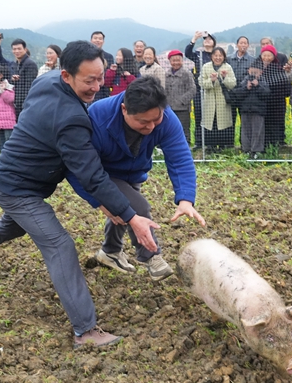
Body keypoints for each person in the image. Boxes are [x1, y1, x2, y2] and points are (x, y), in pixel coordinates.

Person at [0, 41, 159, 349]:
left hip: (19, 179)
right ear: (66, 76)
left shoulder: (46, 81)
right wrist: (130, 217)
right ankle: (85, 331)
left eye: (100, 77)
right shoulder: (71, 119)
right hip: (17, 187)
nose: (97, 86)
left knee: (15, 224)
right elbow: (92, 176)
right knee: (59, 245)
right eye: (89, 80)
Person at [68, 76, 206, 281]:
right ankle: (152, 257)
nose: (151, 126)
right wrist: (98, 200)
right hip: (102, 174)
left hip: (133, 172)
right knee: (137, 208)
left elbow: (179, 157)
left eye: (155, 120)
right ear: (124, 109)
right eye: (143, 121)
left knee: (122, 213)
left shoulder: (166, 118)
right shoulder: (98, 116)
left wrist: (185, 199)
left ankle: (110, 252)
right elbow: (77, 164)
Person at [0, 33, 38, 120]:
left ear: (25, 49)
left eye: (19, 49)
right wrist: (13, 80)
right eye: (14, 49)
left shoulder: (30, 64)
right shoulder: (15, 64)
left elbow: (29, 86)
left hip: (25, 105)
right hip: (16, 104)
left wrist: (24, 105)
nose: (16, 51)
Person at [199, 47, 236, 149]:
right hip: (209, 101)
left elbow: (233, 84)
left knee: (222, 124)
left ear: (224, 57)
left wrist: (225, 78)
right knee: (211, 124)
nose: (218, 58)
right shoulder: (206, 67)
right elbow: (201, 83)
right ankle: (211, 147)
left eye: (220, 56)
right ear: (212, 56)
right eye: (216, 55)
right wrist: (211, 80)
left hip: (223, 102)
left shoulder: (227, 67)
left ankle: (223, 147)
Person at [231, 63, 270, 158]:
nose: (253, 74)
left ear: (261, 72)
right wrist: (246, 88)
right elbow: (237, 93)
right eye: (251, 71)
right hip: (245, 110)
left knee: (258, 131)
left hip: (258, 111)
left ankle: (256, 151)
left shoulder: (263, 81)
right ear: (248, 71)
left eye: (256, 72)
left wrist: (258, 86)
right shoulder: (244, 81)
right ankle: (246, 149)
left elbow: (266, 94)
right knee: (245, 131)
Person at [185, 31, 215, 149]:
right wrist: (194, 39)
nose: (207, 41)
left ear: (214, 42)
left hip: (211, 89)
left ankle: (210, 142)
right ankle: (199, 142)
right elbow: (187, 53)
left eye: (210, 39)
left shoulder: (216, 55)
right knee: (198, 115)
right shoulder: (199, 54)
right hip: (199, 89)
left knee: (211, 117)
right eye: (205, 39)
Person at [257, 44, 290, 149]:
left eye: (269, 55)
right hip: (262, 103)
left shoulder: (279, 68)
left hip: (277, 103)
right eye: (264, 55)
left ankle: (275, 148)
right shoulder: (257, 68)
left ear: (274, 57)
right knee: (263, 126)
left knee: (276, 125)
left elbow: (287, 86)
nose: (266, 58)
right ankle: (264, 148)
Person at [165, 49, 196, 144]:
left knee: (184, 129)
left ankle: (186, 147)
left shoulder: (186, 73)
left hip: (183, 108)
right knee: (169, 129)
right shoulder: (166, 74)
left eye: (178, 60)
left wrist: (182, 101)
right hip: (169, 108)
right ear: (170, 61)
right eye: (173, 60)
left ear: (182, 61)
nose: (176, 63)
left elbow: (192, 89)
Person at [0, 64, 16, 149]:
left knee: (9, 141)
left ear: (0, 75)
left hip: (8, 120)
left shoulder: (8, 85)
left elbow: (11, 99)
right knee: (1, 142)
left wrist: (3, 90)